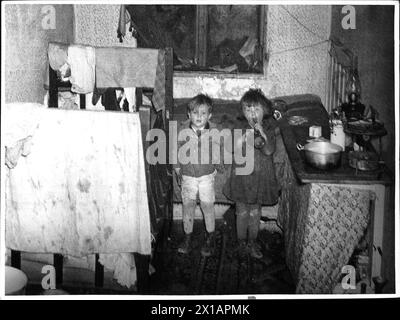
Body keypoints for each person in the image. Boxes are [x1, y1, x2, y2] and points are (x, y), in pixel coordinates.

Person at [223, 88, 279, 259]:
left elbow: (269, 151)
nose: (252, 113)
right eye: (248, 109)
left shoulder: (268, 128)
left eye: (256, 109)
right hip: (242, 178)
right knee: (241, 212)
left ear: (265, 111)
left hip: (260, 179)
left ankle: (252, 242)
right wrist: (243, 137)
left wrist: (261, 132)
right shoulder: (239, 127)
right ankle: (241, 243)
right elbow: (231, 148)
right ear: (243, 112)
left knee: (255, 213)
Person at [174, 94, 223, 257]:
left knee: (207, 206)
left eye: (203, 113)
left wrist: (217, 166)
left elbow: (218, 151)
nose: (199, 117)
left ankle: (210, 237)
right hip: (188, 176)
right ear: (189, 114)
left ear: (209, 115)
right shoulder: (182, 130)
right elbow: (175, 151)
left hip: (206, 176)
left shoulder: (214, 131)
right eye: (195, 113)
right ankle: (187, 237)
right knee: (188, 206)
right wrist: (177, 168)